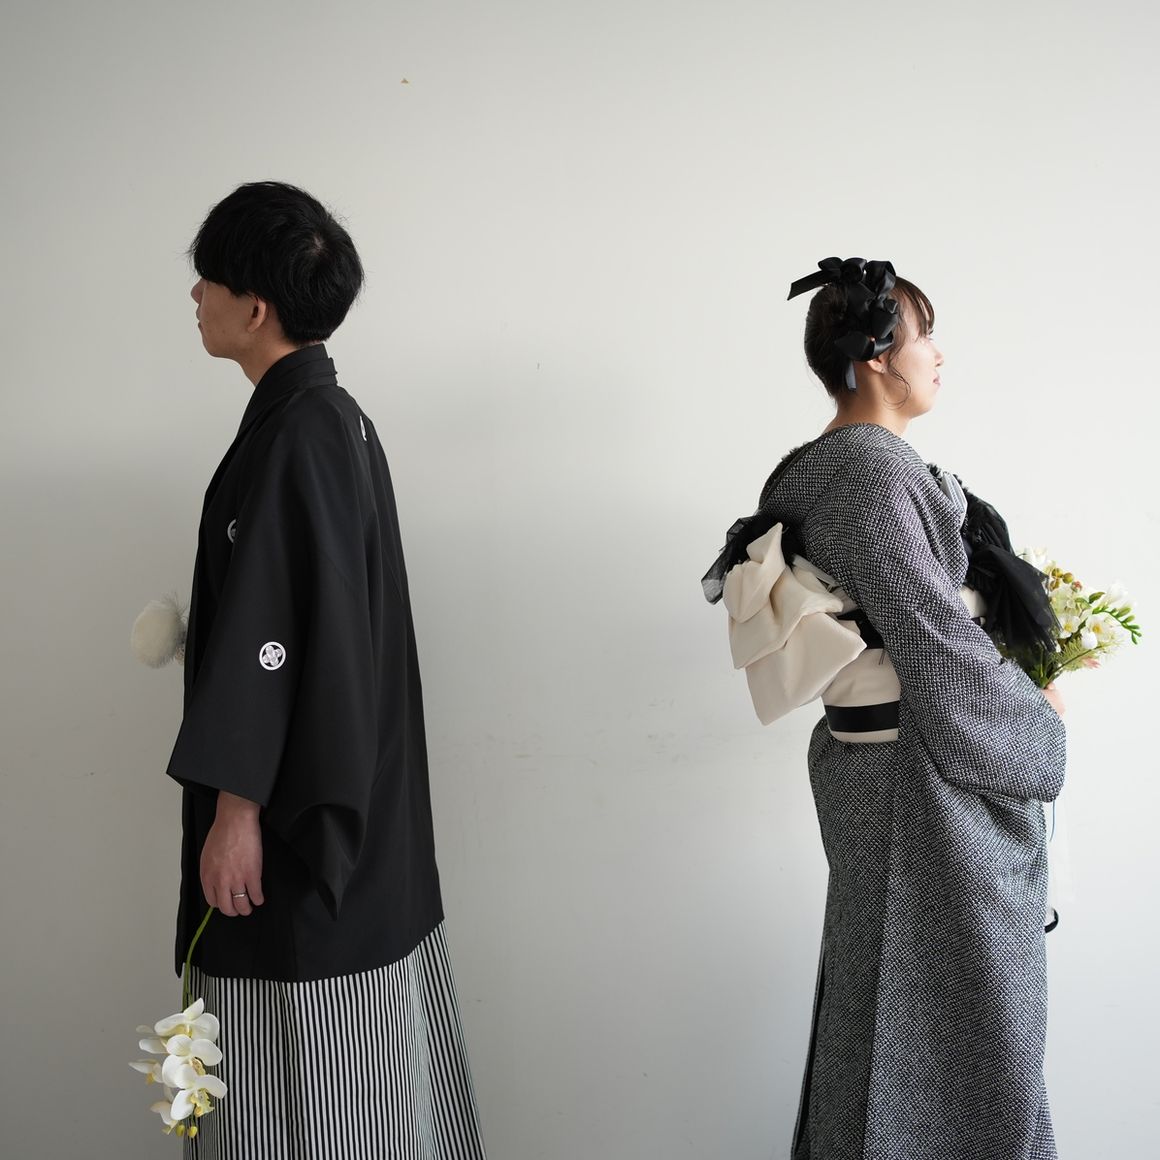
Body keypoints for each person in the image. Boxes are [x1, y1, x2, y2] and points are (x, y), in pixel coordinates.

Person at [703, 257, 1067, 1160]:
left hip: (887, 770)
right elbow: (932, 637)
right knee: (960, 1022)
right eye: (924, 336)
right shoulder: (868, 471)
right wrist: (1038, 718)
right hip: (922, 783)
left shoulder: (819, 468)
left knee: (895, 1012)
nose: (939, 354)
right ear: (875, 356)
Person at [165, 181, 486, 1159]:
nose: (195, 297)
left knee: (298, 1079)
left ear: (255, 307)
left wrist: (235, 813)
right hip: (354, 806)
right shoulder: (329, 419)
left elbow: (275, 634)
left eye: (208, 281)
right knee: (360, 1074)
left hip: (290, 830)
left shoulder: (301, 432)